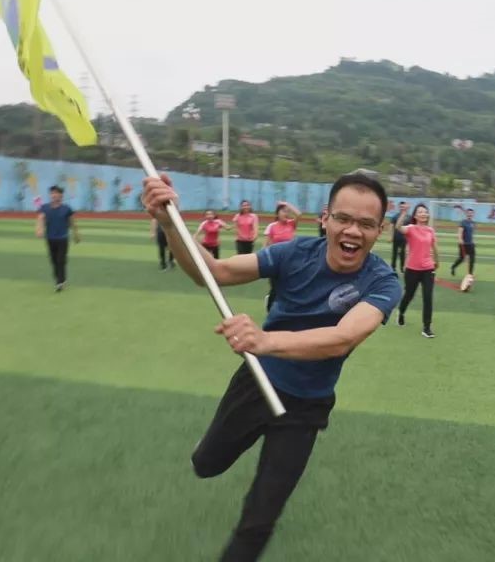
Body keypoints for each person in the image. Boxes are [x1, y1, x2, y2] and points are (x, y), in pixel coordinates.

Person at [141, 172, 401, 562]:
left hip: (306, 407)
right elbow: (214, 272)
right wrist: (169, 223)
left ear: (380, 230)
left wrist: (265, 341)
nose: (353, 231)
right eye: (344, 219)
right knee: (206, 464)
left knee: (260, 518)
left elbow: (342, 337)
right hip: (257, 382)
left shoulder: (383, 282)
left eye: (366, 224)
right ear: (325, 218)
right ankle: (208, 451)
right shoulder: (293, 254)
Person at [395, 203, 439, 338]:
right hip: (412, 269)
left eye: (425, 211)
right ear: (415, 216)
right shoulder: (411, 228)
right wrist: (404, 213)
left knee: (428, 297)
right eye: (420, 212)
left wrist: (437, 261)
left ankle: (427, 327)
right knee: (409, 295)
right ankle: (401, 312)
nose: (423, 214)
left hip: (428, 269)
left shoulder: (430, 231)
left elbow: (434, 247)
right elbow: (398, 227)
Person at [35, 185, 79, 292]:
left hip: (62, 238)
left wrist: (76, 234)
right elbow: (40, 218)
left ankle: (60, 282)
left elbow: (72, 222)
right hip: (50, 238)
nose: (54, 195)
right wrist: (39, 229)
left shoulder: (66, 209)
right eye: (52, 193)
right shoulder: (45, 208)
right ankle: (60, 279)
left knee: (61, 260)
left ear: (61, 195)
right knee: (53, 260)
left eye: (56, 193)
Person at [264, 202, 301, 311]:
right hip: (275, 262)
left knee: (288, 286)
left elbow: (299, 214)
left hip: (290, 261)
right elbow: (267, 245)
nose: (286, 213)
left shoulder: (291, 224)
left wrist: (286, 204)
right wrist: (265, 260)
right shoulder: (272, 226)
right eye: (283, 211)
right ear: (277, 213)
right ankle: (270, 308)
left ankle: (285, 309)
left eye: (288, 211)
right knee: (275, 287)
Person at [450, 208, 476, 278]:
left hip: (471, 244)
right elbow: (460, 232)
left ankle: (470, 274)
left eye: (471, 213)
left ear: (473, 214)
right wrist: (460, 239)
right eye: (468, 213)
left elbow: (471, 233)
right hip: (464, 244)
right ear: (466, 214)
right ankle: (453, 267)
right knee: (461, 259)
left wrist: (473, 241)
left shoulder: (473, 223)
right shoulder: (463, 222)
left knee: (472, 259)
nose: (470, 214)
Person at [389, 200, 408, 273]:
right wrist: (391, 236)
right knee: (394, 253)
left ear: (405, 207)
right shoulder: (395, 216)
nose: (402, 208)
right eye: (401, 207)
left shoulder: (408, 217)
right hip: (396, 237)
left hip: (405, 238)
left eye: (403, 206)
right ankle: (393, 267)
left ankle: (402, 268)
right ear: (399, 207)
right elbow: (391, 226)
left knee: (403, 253)